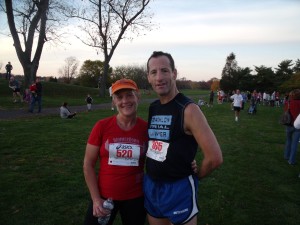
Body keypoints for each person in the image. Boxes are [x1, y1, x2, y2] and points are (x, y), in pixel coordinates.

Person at [144, 51, 223, 225]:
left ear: (174, 73)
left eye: (164, 70)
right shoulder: (154, 107)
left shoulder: (189, 109)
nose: (159, 77)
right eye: (153, 72)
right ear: (148, 77)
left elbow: (214, 158)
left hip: (178, 188)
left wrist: (197, 176)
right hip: (152, 184)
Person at [83, 79, 148, 225]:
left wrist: (188, 163)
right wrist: (95, 199)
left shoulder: (146, 129)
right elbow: (88, 164)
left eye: (129, 95)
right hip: (104, 197)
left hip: (136, 197)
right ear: (113, 102)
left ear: (138, 97)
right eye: (119, 97)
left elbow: (161, 154)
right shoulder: (102, 126)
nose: (125, 101)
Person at [283, 89, 300, 165]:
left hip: (289, 124)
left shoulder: (288, 102)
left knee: (288, 140)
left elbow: (285, 111)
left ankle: (286, 155)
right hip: (297, 125)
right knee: (294, 143)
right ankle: (291, 160)